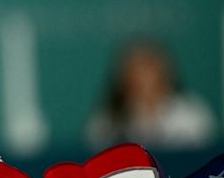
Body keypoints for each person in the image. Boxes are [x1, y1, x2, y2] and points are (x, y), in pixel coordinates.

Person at [84, 39, 216, 149]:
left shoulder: (192, 112)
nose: (144, 77)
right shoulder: (108, 119)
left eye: (149, 67)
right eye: (135, 69)